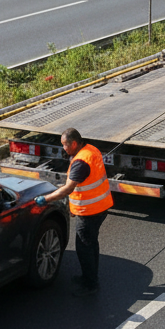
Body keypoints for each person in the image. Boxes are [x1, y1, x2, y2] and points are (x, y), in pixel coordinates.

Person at [37, 127, 113, 296]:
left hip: (90, 211)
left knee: (84, 247)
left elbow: (67, 189)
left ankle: (90, 285)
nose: (64, 148)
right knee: (91, 243)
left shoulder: (80, 162)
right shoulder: (91, 150)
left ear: (75, 143)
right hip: (101, 206)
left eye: (65, 145)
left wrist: (46, 199)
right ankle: (90, 276)